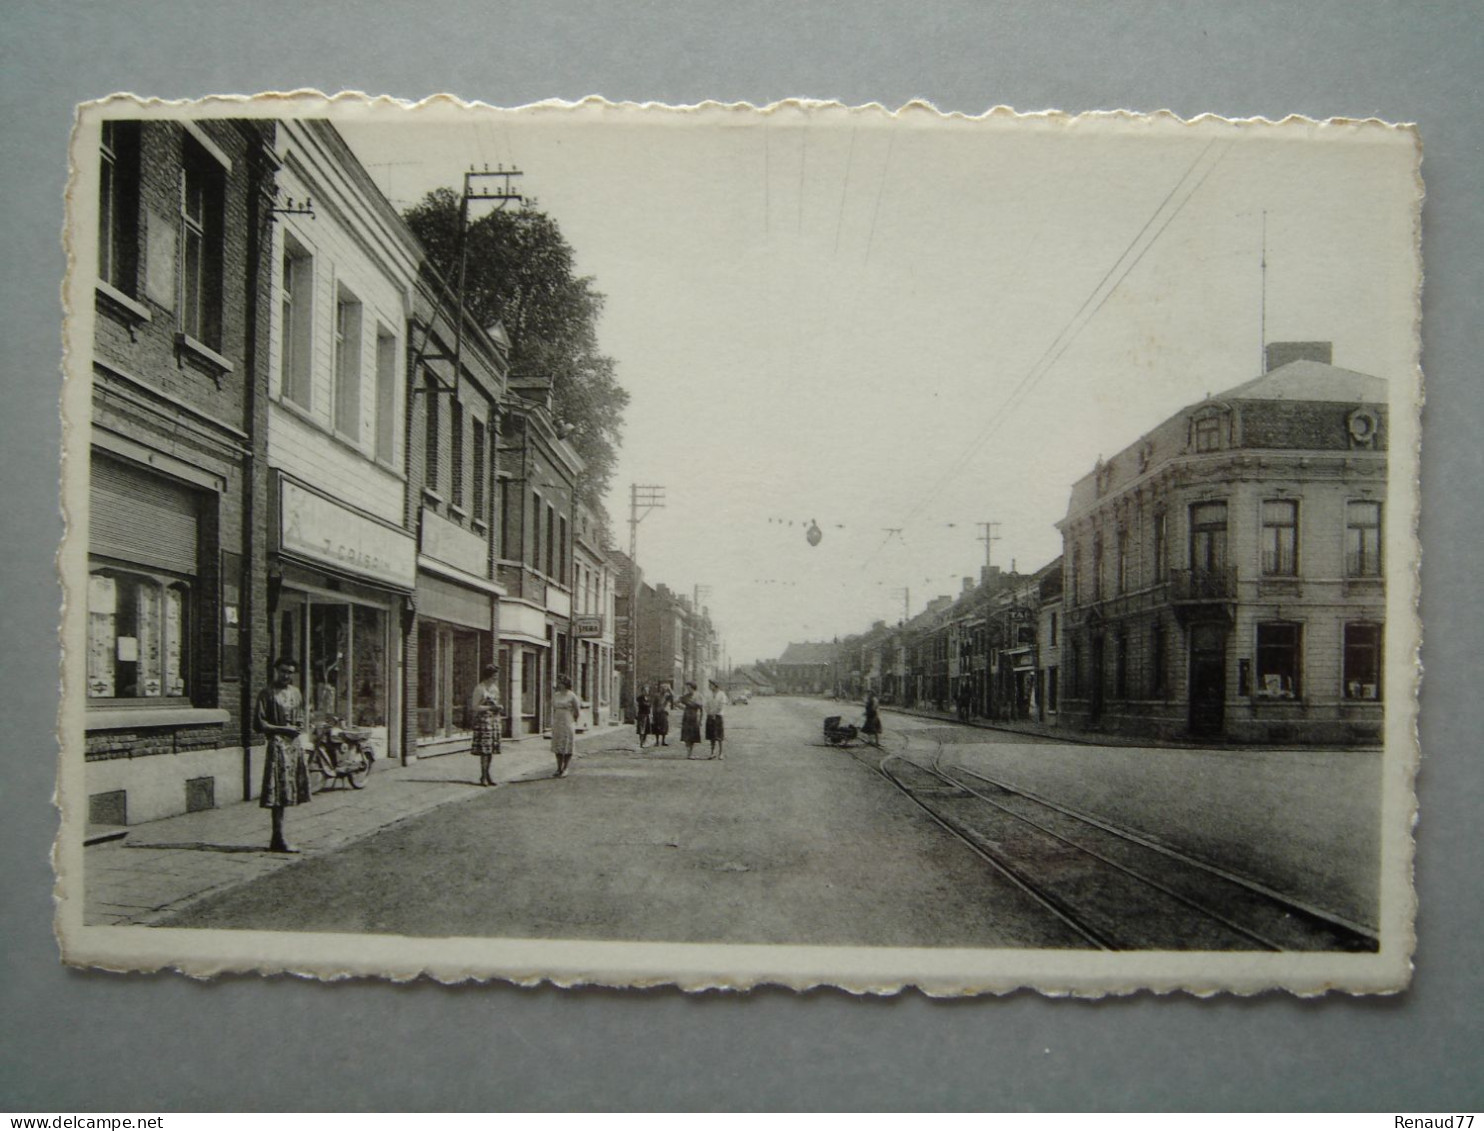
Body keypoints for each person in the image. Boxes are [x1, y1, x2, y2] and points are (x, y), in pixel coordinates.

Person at [255, 657, 312, 853]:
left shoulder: (296, 693)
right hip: (278, 744)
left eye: (289, 672)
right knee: (277, 792)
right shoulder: (267, 693)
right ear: (276, 671)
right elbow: (260, 724)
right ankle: (277, 837)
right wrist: (283, 729)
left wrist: (298, 726)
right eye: (282, 671)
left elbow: (302, 716)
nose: (286, 675)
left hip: (293, 746)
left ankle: (279, 837)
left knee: (288, 792)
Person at [469, 664, 504, 787]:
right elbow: (475, 706)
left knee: (490, 750)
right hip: (483, 721)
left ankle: (488, 774)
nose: (496, 678)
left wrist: (498, 708)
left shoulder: (494, 688)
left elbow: (496, 701)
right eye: (494, 676)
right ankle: (483, 776)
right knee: (484, 750)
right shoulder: (480, 688)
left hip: (493, 720)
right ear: (488, 676)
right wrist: (490, 707)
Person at [550, 674, 581, 777]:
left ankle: (565, 768)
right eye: (558, 682)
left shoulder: (572, 695)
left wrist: (573, 720)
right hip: (558, 721)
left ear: (565, 684)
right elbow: (554, 707)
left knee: (567, 743)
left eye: (560, 682)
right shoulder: (556, 695)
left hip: (568, 720)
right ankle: (558, 768)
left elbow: (577, 710)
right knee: (558, 744)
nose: (558, 684)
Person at [704, 678, 729, 760]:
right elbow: (706, 704)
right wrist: (709, 712)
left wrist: (715, 713)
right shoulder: (708, 694)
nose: (709, 686)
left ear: (715, 686)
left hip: (718, 716)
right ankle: (712, 752)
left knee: (719, 736)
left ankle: (721, 753)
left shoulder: (722, 694)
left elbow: (721, 706)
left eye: (711, 685)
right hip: (710, 715)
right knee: (711, 735)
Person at [678, 681, 704, 758]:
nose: (688, 689)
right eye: (687, 688)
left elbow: (701, 709)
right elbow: (676, 702)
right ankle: (688, 753)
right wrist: (683, 708)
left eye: (689, 688)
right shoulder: (686, 696)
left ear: (693, 688)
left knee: (692, 736)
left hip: (694, 717)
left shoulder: (698, 696)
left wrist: (700, 720)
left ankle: (690, 753)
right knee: (686, 735)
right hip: (686, 717)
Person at [650, 681, 673, 747]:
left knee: (664, 727)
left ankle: (663, 741)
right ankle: (657, 741)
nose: (663, 689)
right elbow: (654, 705)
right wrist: (653, 713)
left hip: (664, 713)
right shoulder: (657, 695)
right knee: (657, 727)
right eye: (662, 688)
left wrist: (670, 689)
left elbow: (672, 696)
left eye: (665, 688)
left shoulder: (667, 696)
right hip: (657, 713)